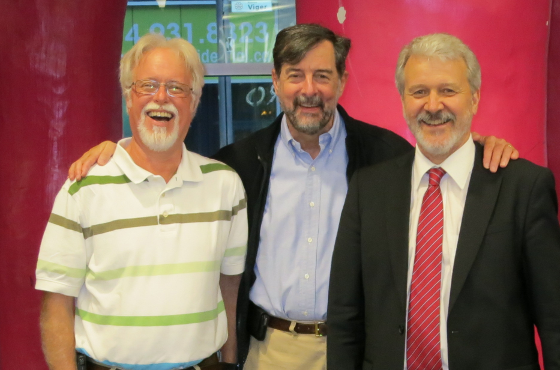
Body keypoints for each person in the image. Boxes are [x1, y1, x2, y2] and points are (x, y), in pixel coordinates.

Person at [67, 25, 519, 370]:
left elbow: (440, 154)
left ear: (341, 81)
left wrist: (479, 147)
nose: (309, 90)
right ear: (276, 81)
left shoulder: (386, 157)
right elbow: (172, 165)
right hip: (267, 351)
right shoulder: (237, 164)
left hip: (355, 349)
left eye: (322, 75)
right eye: (295, 75)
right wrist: (117, 151)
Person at [327, 33, 560, 370]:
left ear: (475, 98)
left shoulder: (522, 188)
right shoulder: (368, 189)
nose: (433, 106)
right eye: (419, 92)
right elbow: (346, 314)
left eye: (448, 90)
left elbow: (558, 324)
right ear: (403, 100)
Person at [36, 33, 245, 370]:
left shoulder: (226, 186)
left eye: (177, 88)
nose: (161, 98)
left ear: (194, 102)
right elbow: (57, 304)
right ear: (128, 97)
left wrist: (231, 362)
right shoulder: (83, 188)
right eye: (147, 85)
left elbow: (229, 286)